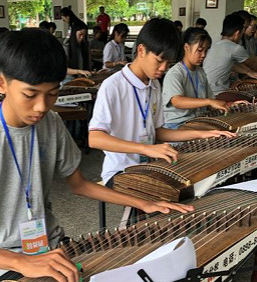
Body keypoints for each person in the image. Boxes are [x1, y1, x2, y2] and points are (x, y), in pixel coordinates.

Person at [0, 28, 190, 282]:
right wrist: (22, 262)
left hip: (52, 247)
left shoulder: (51, 123)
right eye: (30, 94)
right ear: (0, 84)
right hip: (1, 266)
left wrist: (143, 203)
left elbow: (80, 184)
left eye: (52, 94)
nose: (41, 106)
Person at [89, 18, 235, 187]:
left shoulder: (154, 85)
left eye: (168, 63)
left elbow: (158, 132)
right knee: (172, 194)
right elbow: (95, 138)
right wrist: (145, 148)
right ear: (141, 50)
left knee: (199, 182)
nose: (163, 68)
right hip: (120, 171)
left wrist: (202, 134)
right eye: (159, 60)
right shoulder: (113, 86)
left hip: (149, 166)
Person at [162, 27, 230, 129]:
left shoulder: (200, 72)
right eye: (200, 50)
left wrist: (229, 105)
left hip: (196, 120)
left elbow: (211, 100)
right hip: (177, 125)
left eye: (206, 51)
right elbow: (177, 101)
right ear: (186, 47)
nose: (203, 55)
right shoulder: (175, 73)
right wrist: (209, 101)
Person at [202, 13, 257, 95]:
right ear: (237, 34)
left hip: (204, 90)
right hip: (217, 93)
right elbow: (252, 64)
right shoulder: (235, 48)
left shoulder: (215, 44)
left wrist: (248, 72)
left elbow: (230, 64)